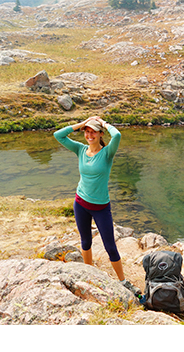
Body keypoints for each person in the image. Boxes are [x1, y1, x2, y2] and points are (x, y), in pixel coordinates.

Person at [53, 115, 126, 282]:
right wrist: (82, 123)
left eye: (94, 132)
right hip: (80, 203)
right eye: (87, 132)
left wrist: (104, 123)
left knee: (110, 248)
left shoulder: (107, 153)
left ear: (101, 134)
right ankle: (89, 273)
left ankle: (123, 281)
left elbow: (117, 135)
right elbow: (58, 135)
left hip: (101, 207)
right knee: (85, 241)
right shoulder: (80, 149)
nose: (89, 135)